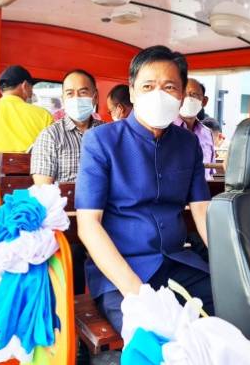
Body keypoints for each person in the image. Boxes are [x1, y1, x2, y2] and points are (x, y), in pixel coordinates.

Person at [75, 45, 213, 333]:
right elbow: (88, 225)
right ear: (133, 92)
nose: (158, 95)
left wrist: (232, 268)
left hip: (179, 264)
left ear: (181, 94)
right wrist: (137, 293)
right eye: (148, 86)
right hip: (121, 272)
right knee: (154, 339)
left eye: (169, 87)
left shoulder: (188, 143)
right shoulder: (101, 141)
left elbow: (202, 210)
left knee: (235, 315)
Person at [30, 69, 103, 184]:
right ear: (63, 99)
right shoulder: (50, 136)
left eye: (83, 92)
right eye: (70, 93)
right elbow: (43, 187)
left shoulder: (107, 132)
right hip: (65, 196)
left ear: (96, 97)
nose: (76, 98)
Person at [174, 78, 215, 180]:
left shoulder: (207, 133)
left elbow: (210, 173)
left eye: (194, 94)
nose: (188, 98)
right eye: (183, 94)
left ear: (204, 101)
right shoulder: (163, 130)